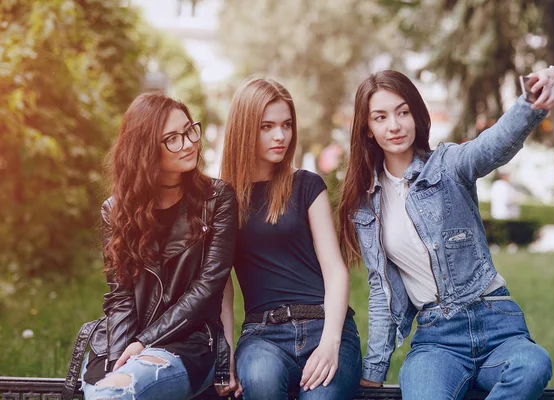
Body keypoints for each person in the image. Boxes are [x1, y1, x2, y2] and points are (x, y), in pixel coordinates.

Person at [337, 67, 554, 399]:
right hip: (437, 340)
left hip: (497, 325)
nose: (395, 125)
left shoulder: (449, 165)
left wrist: (536, 98)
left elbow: (496, 141)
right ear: (368, 129)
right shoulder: (366, 204)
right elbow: (380, 290)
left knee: (532, 365)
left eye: (402, 112)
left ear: (416, 115)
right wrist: (374, 369)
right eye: (381, 117)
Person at [81, 92, 238, 400]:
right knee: (112, 391)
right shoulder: (116, 210)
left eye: (190, 130)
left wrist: (144, 342)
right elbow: (120, 298)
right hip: (122, 342)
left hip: (189, 342)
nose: (190, 143)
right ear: (145, 150)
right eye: (173, 138)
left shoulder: (217, 199)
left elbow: (208, 287)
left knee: (113, 396)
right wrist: (119, 360)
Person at [219, 77, 362, 399]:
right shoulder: (222, 199)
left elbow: (335, 270)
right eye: (266, 126)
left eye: (286, 125)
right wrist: (224, 355)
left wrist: (330, 343)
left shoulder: (307, 186)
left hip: (324, 324)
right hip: (262, 334)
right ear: (243, 129)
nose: (280, 135)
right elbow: (221, 287)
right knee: (261, 381)